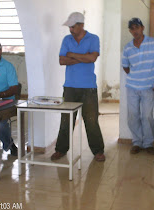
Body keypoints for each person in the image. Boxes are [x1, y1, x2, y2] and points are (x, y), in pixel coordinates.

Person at [51, 12, 105, 162]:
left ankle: (98, 151)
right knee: (66, 119)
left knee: (91, 120)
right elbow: (62, 60)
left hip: (88, 87)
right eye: (69, 27)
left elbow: (92, 58)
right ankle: (60, 149)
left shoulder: (93, 38)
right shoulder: (66, 39)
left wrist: (72, 55)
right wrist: (83, 57)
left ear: (81, 25)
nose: (70, 29)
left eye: (73, 26)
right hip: (70, 87)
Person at [122, 18, 154, 155]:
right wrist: (135, 76)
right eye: (132, 29)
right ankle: (137, 142)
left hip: (148, 88)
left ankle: (148, 144)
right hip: (132, 88)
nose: (135, 31)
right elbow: (125, 67)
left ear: (142, 28)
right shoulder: (127, 47)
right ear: (130, 31)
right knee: (133, 116)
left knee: (147, 116)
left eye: (137, 27)